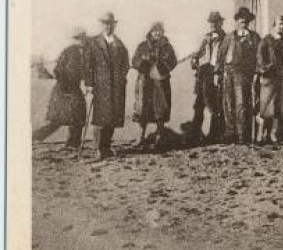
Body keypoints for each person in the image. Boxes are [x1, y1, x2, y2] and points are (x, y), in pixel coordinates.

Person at [84, 12, 130, 160]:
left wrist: (121, 77)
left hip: (116, 86)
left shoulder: (119, 43)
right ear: (101, 24)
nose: (108, 26)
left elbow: (125, 64)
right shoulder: (93, 42)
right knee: (100, 118)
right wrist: (90, 84)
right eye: (105, 23)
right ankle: (98, 148)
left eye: (111, 23)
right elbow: (88, 65)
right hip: (101, 86)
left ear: (114, 25)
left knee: (113, 118)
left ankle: (107, 147)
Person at [33, 28, 88, 150]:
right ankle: (34, 137)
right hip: (63, 88)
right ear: (75, 39)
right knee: (57, 119)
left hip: (74, 87)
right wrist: (66, 85)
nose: (81, 41)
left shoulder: (85, 53)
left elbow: (84, 72)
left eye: (83, 38)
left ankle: (73, 143)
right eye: (79, 38)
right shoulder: (69, 51)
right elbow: (58, 70)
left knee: (78, 114)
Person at [132, 21, 178, 149]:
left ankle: (160, 136)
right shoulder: (142, 46)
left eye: (159, 30)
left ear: (162, 32)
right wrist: (142, 63)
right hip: (145, 81)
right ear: (150, 32)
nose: (157, 33)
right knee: (143, 108)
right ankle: (140, 136)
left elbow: (174, 61)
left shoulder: (167, 47)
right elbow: (134, 61)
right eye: (154, 30)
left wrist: (163, 66)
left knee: (160, 109)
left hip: (161, 82)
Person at [218, 7, 260, 144]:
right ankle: (230, 133)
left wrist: (256, 73)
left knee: (241, 103)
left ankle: (242, 135)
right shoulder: (229, 36)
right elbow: (221, 55)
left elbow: (258, 56)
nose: (243, 21)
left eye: (246, 19)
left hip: (243, 73)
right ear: (236, 21)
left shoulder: (253, 37)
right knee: (228, 103)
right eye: (240, 19)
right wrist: (217, 73)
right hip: (227, 71)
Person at [256, 15, 283, 145]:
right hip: (269, 77)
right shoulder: (266, 40)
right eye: (279, 24)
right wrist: (265, 68)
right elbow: (260, 57)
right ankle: (260, 133)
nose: (282, 27)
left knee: (279, 107)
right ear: (274, 25)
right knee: (265, 105)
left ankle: (273, 133)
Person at [188, 10, 226, 143]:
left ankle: (214, 134)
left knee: (213, 104)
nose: (213, 25)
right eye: (211, 22)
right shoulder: (206, 38)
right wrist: (194, 60)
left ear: (221, 23)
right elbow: (198, 53)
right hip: (203, 73)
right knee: (198, 104)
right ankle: (194, 135)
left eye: (216, 22)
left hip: (215, 72)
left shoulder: (225, 38)